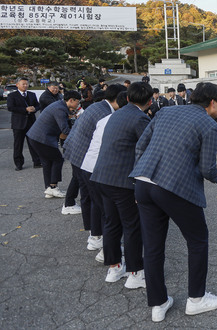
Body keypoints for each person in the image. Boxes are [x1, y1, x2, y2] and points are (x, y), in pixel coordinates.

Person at [130, 82, 217, 322]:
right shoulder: (209, 125)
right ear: (213, 102)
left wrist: (141, 175)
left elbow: (141, 145)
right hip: (174, 187)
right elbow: (207, 168)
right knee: (197, 239)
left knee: (152, 246)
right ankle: (196, 299)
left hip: (143, 182)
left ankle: (158, 304)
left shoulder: (166, 111)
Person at [91, 83, 152, 288]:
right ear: (150, 101)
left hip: (101, 176)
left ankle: (114, 267)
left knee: (111, 223)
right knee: (132, 226)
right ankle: (136, 273)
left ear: (126, 98)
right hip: (121, 181)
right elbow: (146, 150)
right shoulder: (140, 118)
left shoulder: (116, 114)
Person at [63, 84, 127, 255]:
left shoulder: (98, 106)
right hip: (86, 159)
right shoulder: (105, 113)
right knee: (102, 204)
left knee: (91, 199)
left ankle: (95, 236)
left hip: (79, 156)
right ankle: (104, 246)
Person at [26, 91, 81, 201]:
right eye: (77, 102)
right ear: (71, 100)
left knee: (47, 162)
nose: (78, 105)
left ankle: (49, 189)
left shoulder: (59, 105)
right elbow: (65, 130)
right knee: (58, 160)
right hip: (42, 139)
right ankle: (53, 186)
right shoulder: (60, 109)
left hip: (35, 137)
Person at [6, 78, 42, 171]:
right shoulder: (12, 95)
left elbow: (38, 105)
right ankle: (19, 163)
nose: (25, 86)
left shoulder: (31, 94)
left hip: (31, 122)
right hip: (18, 123)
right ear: (17, 85)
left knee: (33, 143)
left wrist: (35, 108)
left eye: (26, 84)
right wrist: (25, 109)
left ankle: (37, 161)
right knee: (18, 144)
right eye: (23, 84)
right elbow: (10, 107)